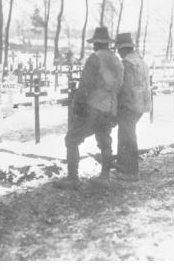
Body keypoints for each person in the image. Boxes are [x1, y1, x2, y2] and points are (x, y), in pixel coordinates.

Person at [54, 27, 124, 190]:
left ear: (97, 44)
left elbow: (85, 85)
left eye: (94, 44)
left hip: (94, 107)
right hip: (110, 107)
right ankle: (105, 176)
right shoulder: (117, 61)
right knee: (104, 141)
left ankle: (73, 178)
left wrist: (78, 106)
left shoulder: (95, 59)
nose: (93, 47)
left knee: (71, 140)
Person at [113, 33, 151, 182]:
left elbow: (125, 87)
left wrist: (117, 104)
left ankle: (131, 171)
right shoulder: (140, 60)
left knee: (127, 136)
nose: (118, 52)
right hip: (142, 104)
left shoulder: (127, 63)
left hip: (130, 104)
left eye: (119, 49)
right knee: (126, 134)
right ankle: (124, 165)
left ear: (123, 49)